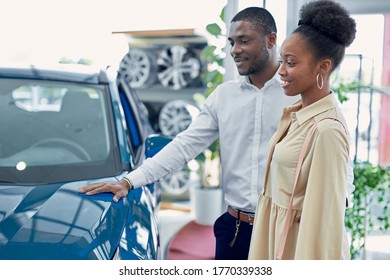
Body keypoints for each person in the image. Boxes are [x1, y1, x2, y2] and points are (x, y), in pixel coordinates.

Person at [79, 6, 354, 260]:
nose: (235, 49)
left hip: (282, 231)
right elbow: (185, 145)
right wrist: (130, 181)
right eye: (231, 42)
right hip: (234, 230)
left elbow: (338, 174)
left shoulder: (298, 96)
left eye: (244, 40)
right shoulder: (224, 96)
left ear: (271, 40)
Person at [248, 0, 356, 260]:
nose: (281, 71)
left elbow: (323, 227)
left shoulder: (326, 130)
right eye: (282, 61)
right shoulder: (295, 115)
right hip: (275, 242)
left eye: (291, 63)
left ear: (323, 67)